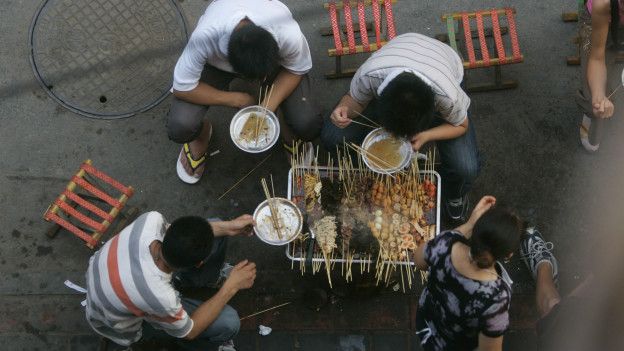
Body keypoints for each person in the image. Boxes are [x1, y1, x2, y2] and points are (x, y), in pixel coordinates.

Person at [321, 33, 480, 221]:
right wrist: (343, 110)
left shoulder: (448, 97)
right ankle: (364, 174)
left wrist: (427, 135)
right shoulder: (370, 75)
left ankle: (455, 194)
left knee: (466, 167)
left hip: (444, 65)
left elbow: (461, 125)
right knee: (332, 136)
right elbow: (354, 100)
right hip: (399, 51)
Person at [169, 0, 322, 184]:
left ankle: (288, 132)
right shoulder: (206, 35)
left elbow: (296, 69)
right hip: (219, 65)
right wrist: (237, 99)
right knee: (180, 125)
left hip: (275, 65)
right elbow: (182, 87)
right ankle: (201, 137)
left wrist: (266, 109)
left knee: (307, 123)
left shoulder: (286, 32)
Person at [84, 211, 257, 351]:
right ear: (199, 264)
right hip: (118, 323)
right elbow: (190, 331)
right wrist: (231, 287)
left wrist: (229, 227)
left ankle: (206, 280)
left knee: (216, 227)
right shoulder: (160, 296)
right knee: (229, 323)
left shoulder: (152, 220)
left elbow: (182, 234)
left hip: (110, 278)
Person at [413, 196, 523, 351]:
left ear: (476, 230)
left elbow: (418, 259)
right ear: (508, 254)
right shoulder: (496, 297)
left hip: (427, 323)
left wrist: (468, 225)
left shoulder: (445, 245)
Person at [577, 0, 623, 152]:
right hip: (598, 20)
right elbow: (597, 58)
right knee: (593, 96)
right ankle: (590, 111)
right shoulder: (602, 3)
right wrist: (599, 96)